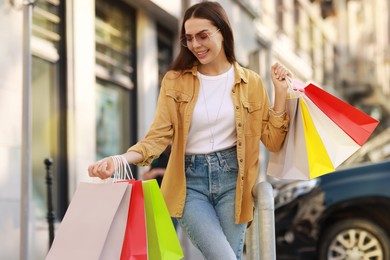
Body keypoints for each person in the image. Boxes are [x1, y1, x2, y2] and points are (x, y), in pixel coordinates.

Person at [88, 1, 291, 259]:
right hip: (188, 183)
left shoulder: (251, 82)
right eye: (189, 38)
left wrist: (281, 93)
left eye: (203, 36)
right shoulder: (175, 81)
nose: (195, 45)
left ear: (223, 32)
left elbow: (273, 141)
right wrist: (118, 160)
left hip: (234, 182)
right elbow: (157, 137)